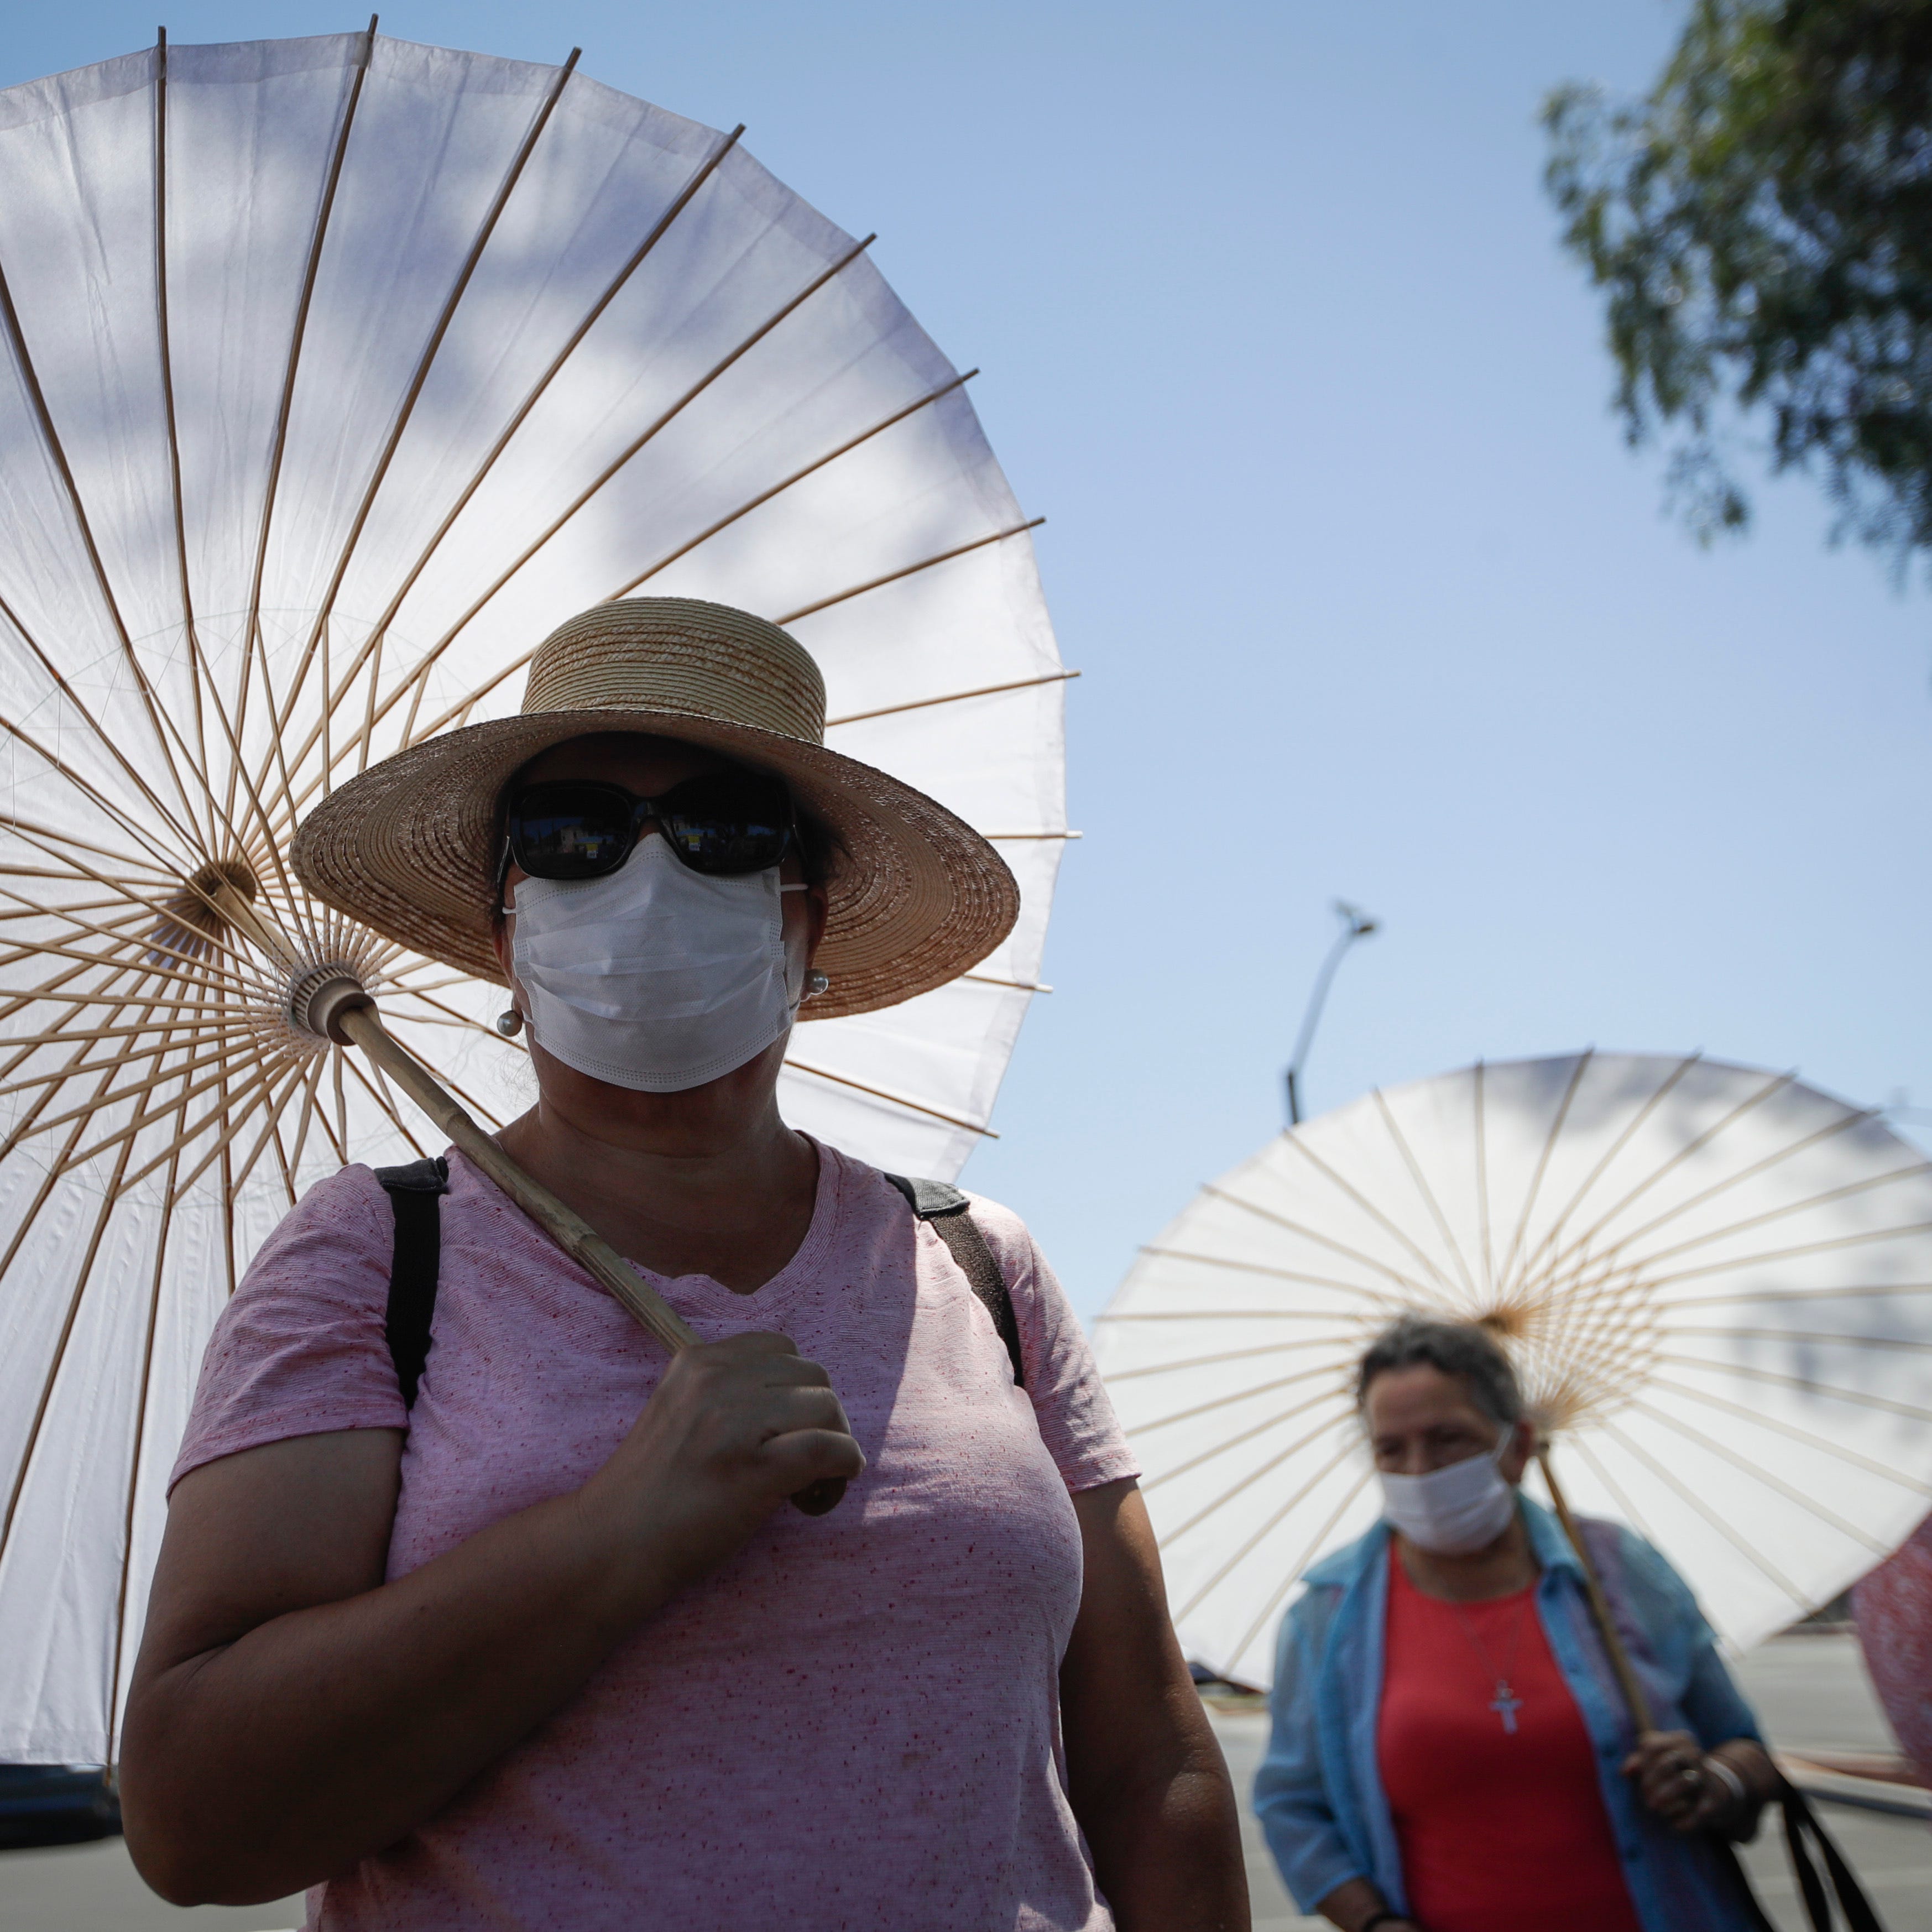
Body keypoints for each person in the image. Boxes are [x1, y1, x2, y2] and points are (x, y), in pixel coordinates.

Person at [118, 599, 1249, 1932]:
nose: (644, 879)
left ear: (807, 923)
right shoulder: (371, 1257)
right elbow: (197, 1821)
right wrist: (622, 1534)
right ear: (504, 933)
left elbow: (1150, 1761)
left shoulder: (975, 1262)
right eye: (570, 835)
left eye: (723, 827)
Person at [1254, 1315, 1780, 1932]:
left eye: (1447, 1438)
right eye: (1390, 1447)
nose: (1419, 1469)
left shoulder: (1614, 1568)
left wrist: (1710, 1781)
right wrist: (1371, 1922)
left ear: (1518, 1445)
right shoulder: (1327, 1613)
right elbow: (1290, 1804)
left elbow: (1746, 1749)